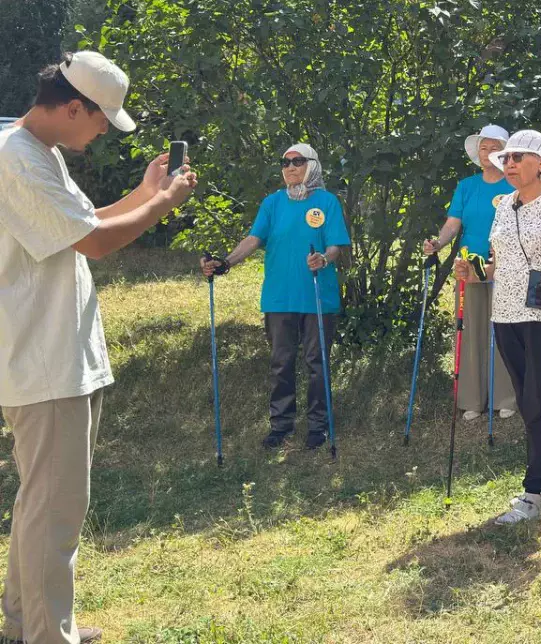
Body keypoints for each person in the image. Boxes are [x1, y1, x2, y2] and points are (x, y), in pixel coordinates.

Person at [0, 52, 196, 644]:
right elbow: (96, 244)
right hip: (44, 360)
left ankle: (29, 622)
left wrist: (142, 192)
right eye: (101, 118)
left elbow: (85, 224)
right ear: (71, 106)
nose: (104, 129)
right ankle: (45, 635)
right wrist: (163, 203)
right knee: (54, 511)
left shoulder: (40, 153)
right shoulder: (17, 158)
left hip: (61, 356)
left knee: (44, 505)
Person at [454, 130, 541, 525]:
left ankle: (534, 494)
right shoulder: (504, 206)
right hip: (506, 314)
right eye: (506, 159)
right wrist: (472, 271)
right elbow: (497, 265)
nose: (509, 164)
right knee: (526, 396)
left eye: (517, 157)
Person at [201, 143, 350, 450]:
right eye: (285, 162)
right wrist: (226, 263)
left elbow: (336, 245)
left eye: (297, 161)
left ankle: (318, 426)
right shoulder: (272, 203)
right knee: (281, 363)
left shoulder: (327, 202)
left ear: (312, 165)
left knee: (317, 363)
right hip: (279, 297)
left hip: (318, 297)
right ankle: (281, 425)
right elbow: (254, 239)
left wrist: (324, 258)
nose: (290, 167)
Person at [424, 124, 518, 422]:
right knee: (470, 330)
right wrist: (438, 242)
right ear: (477, 153)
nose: (489, 153)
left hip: (507, 265)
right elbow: (453, 224)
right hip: (469, 265)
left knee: (505, 329)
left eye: (495, 148)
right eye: (484, 147)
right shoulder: (466, 186)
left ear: (505, 153)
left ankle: (506, 397)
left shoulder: (515, 184)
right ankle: (473, 399)